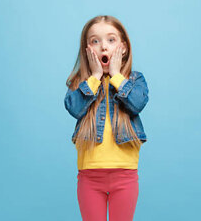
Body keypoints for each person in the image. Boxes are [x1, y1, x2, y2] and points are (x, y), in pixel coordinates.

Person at [64, 15, 149, 221]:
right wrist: (94, 78)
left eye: (111, 40)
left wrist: (116, 76)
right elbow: (74, 108)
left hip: (125, 175)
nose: (103, 47)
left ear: (124, 47)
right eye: (95, 41)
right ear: (87, 50)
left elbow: (137, 104)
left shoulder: (134, 80)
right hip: (89, 177)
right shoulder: (80, 83)